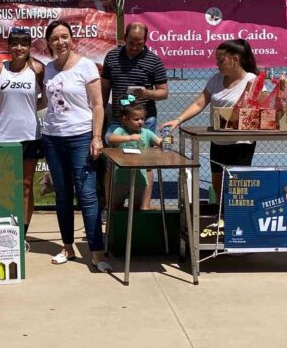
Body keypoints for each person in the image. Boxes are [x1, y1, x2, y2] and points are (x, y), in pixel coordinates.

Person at [40, 20, 112, 272]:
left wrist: (96, 137)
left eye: (64, 37)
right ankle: (68, 247)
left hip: (81, 137)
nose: (60, 42)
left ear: (72, 39)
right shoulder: (48, 69)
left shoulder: (86, 66)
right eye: (55, 38)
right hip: (52, 137)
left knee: (87, 195)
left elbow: (97, 105)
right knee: (62, 195)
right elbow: (46, 101)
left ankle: (96, 252)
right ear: (48, 43)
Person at [161, 38, 260, 200]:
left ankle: (237, 220)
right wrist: (178, 120)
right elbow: (200, 102)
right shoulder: (215, 79)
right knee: (218, 183)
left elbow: (261, 108)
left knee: (237, 186)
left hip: (241, 143)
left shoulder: (251, 80)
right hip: (217, 141)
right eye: (216, 60)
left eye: (221, 60)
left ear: (235, 59)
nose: (217, 64)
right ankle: (221, 216)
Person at [101, 22, 168, 209]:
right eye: (131, 43)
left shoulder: (154, 61)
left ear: (145, 41)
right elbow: (105, 86)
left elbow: (163, 92)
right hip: (117, 119)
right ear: (124, 38)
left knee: (146, 164)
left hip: (144, 121)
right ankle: (111, 206)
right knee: (112, 163)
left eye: (139, 43)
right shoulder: (112, 56)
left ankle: (144, 206)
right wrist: (100, 112)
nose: (134, 47)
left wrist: (146, 93)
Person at [0, 27, 44, 247]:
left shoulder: (37, 69)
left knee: (24, 185)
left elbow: (46, 98)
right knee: (2, 186)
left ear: (29, 47)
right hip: (2, 136)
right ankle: (2, 230)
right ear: (9, 46)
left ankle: (21, 235)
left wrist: (30, 108)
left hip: (29, 136)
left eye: (23, 44)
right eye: (14, 43)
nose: (19, 48)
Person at [105, 99, 163, 210]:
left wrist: (165, 142)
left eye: (142, 119)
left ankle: (136, 225)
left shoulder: (146, 132)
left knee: (137, 206)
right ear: (125, 120)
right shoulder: (121, 130)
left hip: (140, 178)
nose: (140, 122)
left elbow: (159, 142)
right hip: (120, 177)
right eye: (136, 119)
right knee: (116, 206)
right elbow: (111, 139)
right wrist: (129, 137)